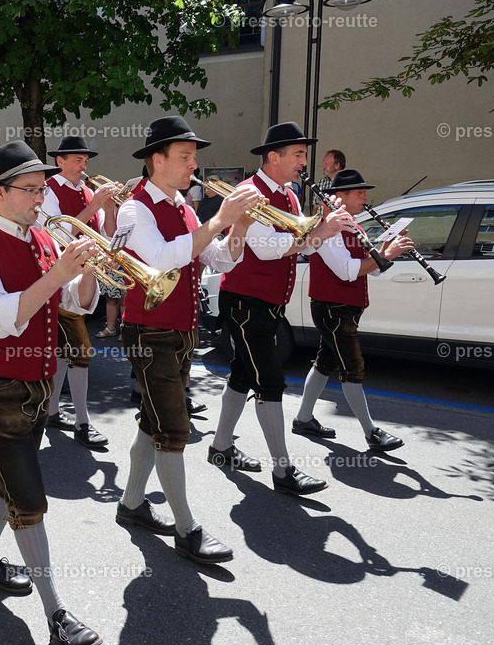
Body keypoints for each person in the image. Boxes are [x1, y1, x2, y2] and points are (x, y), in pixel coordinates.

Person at [0, 140, 103, 645]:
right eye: (30, 190)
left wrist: (87, 271)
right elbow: (2, 318)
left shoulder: (42, 237)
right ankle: (56, 612)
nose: (41, 199)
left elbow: (74, 303)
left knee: (6, 479)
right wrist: (57, 274)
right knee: (30, 500)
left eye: (42, 189)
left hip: (36, 385)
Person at [115, 117, 256, 563]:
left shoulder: (184, 206)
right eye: (185, 156)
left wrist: (239, 227)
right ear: (157, 160)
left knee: (152, 420)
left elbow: (219, 259)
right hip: (149, 330)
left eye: (193, 157)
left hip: (180, 329)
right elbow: (161, 258)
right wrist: (219, 219)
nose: (194, 164)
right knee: (174, 429)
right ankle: (186, 529)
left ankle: (132, 504)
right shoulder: (134, 209)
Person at [209, 122, 353, 496]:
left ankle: (220, 447)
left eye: (304, 155)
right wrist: (320, 231)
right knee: (270, 380)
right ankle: (283, 470)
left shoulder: (288, 195)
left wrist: (322, 227)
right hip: (246, 301)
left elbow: (299, 243)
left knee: (243, 373)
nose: (304, 162)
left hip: (268, 302)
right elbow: (268, 249)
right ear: (274, 157)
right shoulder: (249, 193)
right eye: (298, 155)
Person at [293, 169, 413, 451]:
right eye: (359, 192)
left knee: (325, 363)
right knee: (352, 368)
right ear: (340, 197)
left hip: (346, 308)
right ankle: (371, 432)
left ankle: (303, 419)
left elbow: (373, 270)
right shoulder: (327, 229)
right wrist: (386, 254)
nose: (365, 197)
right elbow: (347, 271)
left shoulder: (354, 226)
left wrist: (386, 249)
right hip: (332, 309)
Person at [40, 136, 114, 448]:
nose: (83, 166)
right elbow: (56, 231)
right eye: (77, 160)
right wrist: (94, 205)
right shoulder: (47, 190)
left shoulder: (87, 191)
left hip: (86, 273)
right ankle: (83, 422)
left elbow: (108, 233)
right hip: (58, 274)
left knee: (63, 349)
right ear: (60, 161)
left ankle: (52, 411)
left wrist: (109, 208)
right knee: (80, 349)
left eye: (85, 160)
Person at [312, 149, 346, 216]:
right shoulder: (321, 182)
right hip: (321, 221)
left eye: (326, 164)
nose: (323, 167)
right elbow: (315, 207)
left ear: (337, 165)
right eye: (323, 164)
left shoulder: (347, 183)